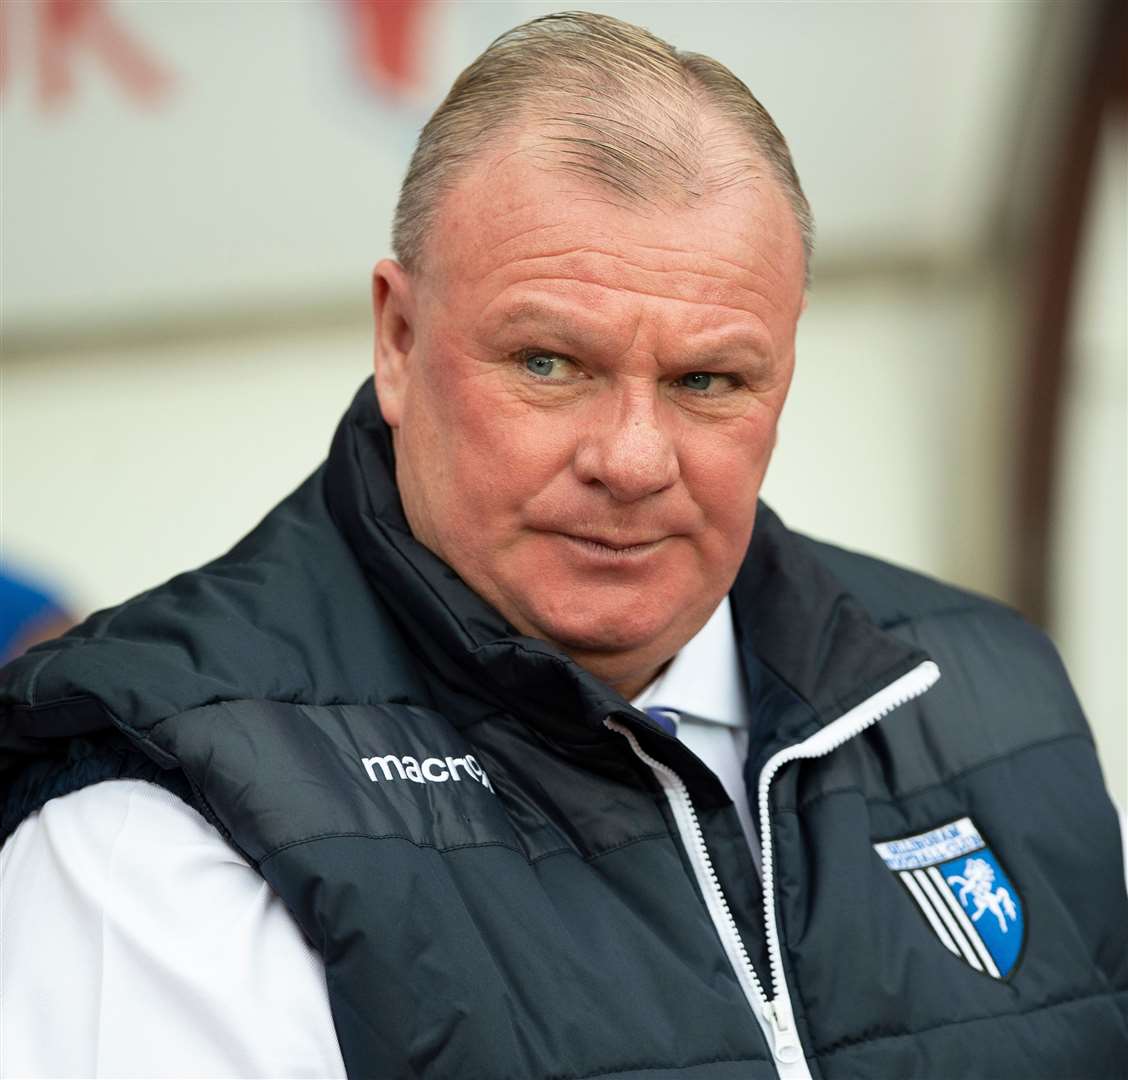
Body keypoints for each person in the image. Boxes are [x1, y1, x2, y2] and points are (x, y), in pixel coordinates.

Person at [1, 11, 1125, 1080]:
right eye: (550, 363)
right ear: (399, 340)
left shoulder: (987, 692)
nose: (633, 459)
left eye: (707, 381)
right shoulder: (154, 823)